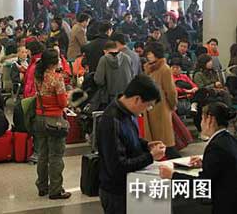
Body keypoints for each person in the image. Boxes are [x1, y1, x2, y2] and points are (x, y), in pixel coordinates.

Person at [98, 75, 166, 214]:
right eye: (148, 105)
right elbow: (118, 167)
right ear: (137, 99)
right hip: (117, 193)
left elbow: (129, 139)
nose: (147, 109)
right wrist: (150, 156)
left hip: (130, 185)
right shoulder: (112, 120)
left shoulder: (127, 112)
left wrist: (146, 145)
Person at [159, 101, 237, 214]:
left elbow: (203, 185)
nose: (201, 123)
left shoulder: (216, 147)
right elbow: (224, 164)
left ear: (210, 120)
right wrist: (205, 162)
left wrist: (172, 175)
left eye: (201, 119)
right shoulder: (228, 139)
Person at [33, 48, 71, 200]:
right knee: (56, 155)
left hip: (39, 117)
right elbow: (62, 102)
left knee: (42, 154)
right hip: (54, 119)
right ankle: (55, 190)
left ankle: (42, 186)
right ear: (54, 62)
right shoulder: (57, 78)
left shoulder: (38, 75)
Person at [143, 42, 179, 159]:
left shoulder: (164, 69)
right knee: (158, 137)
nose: (148, 56)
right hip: (150, 106)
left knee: (164, 138)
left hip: (161, 107)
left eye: (150, 53)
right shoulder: (148, 68)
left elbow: (171, 91)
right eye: (147, 53)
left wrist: (172, 105)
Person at [94, 40, 133, 105]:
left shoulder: (104, 59)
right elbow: (132, 76)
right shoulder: (128, 58)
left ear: (104, 51)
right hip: (126, 96)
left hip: (109, 97)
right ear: (117, 49)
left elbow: (99, 80)